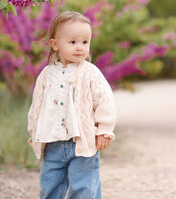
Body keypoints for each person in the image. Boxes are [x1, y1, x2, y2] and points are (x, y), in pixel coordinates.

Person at [27, 11, 116, 199]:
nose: (80, 48)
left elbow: (105, 101)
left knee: (84, 187)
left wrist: (104, 130)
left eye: (85, 42)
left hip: (83, 140)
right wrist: (34, 131)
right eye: (73, 42)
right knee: (49, 186)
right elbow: (37, 106)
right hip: (52, 141)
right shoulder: (46, 74)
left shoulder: (91, 73)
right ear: (55, 44)